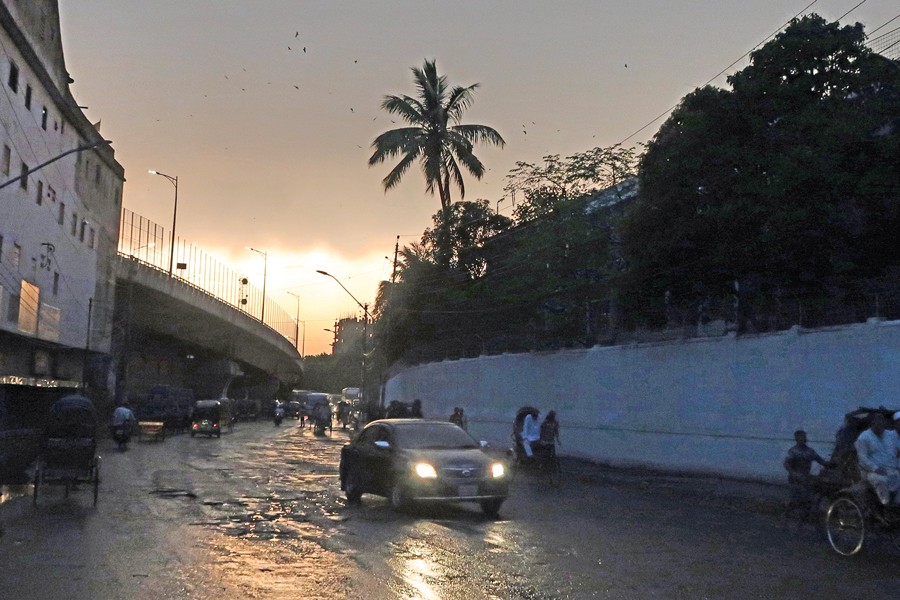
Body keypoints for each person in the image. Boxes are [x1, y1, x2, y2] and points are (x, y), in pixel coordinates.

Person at [854, 412, 900, 505]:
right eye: (878, 423)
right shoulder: (863, 438)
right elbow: (862, 458)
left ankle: (896, 505)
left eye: (882, 423)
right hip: (871, 472)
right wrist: (875, 468)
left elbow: (897, 450)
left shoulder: (891, 435)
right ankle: (885, 504)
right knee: (880, 479)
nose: (881, 425)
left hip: (891, 470)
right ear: (872, 424)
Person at [783, 430, 828, 520]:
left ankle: (806, 515)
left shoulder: (810, 451)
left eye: (804, 437)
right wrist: (794, 473)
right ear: (796, 438)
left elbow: (821, 461)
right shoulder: (793, 451)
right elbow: (786, 464)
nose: (803, 439)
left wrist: (830, 464)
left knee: (810, 496)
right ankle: (787, 514)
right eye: (801, 437)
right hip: (795, 479)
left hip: (806, 478)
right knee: (796, 500)